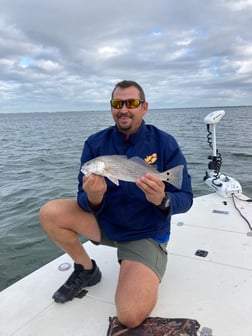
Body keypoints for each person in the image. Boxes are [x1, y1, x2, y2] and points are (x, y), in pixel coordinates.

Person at [39, 80, 193, 328]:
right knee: (50, 213)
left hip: (145, 233)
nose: (124, 109)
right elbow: (81, 195)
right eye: (117, 103)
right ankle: (87, 269)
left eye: (131, 103)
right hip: (106, 224)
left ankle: (138, 263)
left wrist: (162, 200)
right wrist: (93, 198)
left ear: (144, 107)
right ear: (111, 108)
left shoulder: (165, 143)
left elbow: (185, 198)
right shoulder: (95, 143)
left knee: (130, 316)